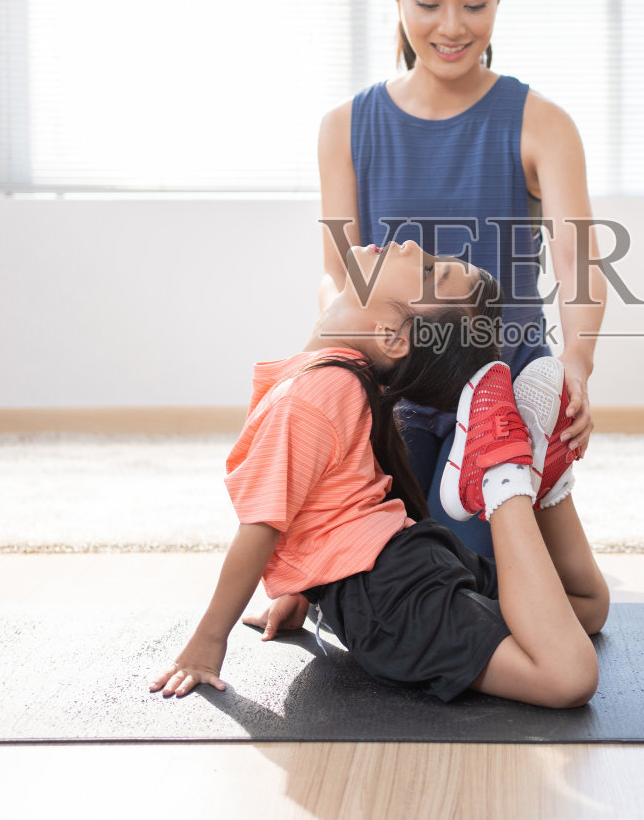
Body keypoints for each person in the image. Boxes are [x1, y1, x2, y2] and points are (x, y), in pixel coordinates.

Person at [150, 238, 609, 707]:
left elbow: (263, 526)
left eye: (429, 270)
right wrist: (305, 587)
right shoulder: (341, 374)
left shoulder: (314, 391)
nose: (411, 245)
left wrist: (207, 643)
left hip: (389, 596)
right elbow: (329, 498)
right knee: (587, 608)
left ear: (391, 335)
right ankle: (540, 475)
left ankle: (502, 474)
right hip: (405, 560)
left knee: (567, 676)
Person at [316, 0, 609, 558]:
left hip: (504, 383)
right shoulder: (344, 127)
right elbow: (339, 276)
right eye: (428, 2)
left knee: (469, 571)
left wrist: (577, 368)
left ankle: (536, 484)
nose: (451, 26)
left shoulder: (542, 122)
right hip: (400, 386)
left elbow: (577, 262)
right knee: (387, 566)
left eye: (474, 4)